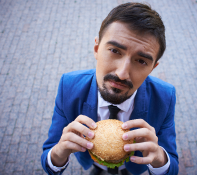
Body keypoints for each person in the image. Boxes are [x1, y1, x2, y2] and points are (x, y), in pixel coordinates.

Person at [41, 2, 178, 175]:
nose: (122, 74)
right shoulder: (68, 86)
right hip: (92, 161)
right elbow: (49, 156)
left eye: (141, 61)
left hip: (135, 168)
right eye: (115, 50)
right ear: (97, 48)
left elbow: (172, 166)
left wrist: (160, 158)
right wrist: (58, 153)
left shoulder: (165, 97)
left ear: (152, 68)